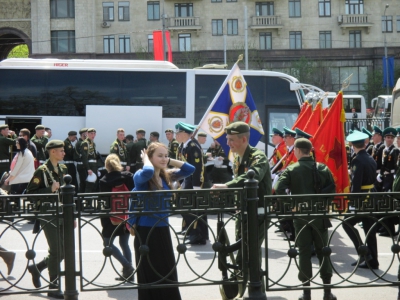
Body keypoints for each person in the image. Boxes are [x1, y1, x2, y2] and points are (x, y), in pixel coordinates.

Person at [128, 142, 195, 300]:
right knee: (149, 271)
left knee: (166, 269)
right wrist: (145, 159)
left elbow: (190, 169)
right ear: (150, 157)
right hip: (145, 230)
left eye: (166, 155)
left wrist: (168, 160)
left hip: (163, 228)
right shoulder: (140, 175)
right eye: (160, 155)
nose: (164, 159)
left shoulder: (167, 175)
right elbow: (149, 171)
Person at [274, 138, 336, 300]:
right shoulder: (322, 168)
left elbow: (278, 189)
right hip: (319, 215)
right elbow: (333, 189)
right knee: (324, 251)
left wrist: (291, 204)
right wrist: (324, 205)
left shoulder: (292, 169)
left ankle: (306, 292)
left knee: (304, 252)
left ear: (298, 150)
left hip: (301, 216)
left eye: (294, 150)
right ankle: (327, 292)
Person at [212, 121, 271, 269]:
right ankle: (247, 283)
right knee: (245, 248)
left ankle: (249, 285)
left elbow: (253, 177)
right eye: (227, 139)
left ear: (243, 140)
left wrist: (226, 186)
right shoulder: (237, 158)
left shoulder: (258, 157)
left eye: (231, 139)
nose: (227, 143)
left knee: (249, 249)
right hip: (243, 211)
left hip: (258, 212)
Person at [26, 140, 71, 299]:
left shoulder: (64, 168)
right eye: (61, 150)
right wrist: (49, 189)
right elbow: (29, 194)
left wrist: (71, 215)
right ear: (52, 152)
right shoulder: (42, 171)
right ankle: (53, 286)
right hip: (48, 213)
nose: (64, 153)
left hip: (62, 213)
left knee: (64, 252)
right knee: (56, 250)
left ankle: (37, 268)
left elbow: (69, 194)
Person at [342, 131, 379, 270]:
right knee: (370, 229)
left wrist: (352, 203)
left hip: (363, 198)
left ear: (352, 144)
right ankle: (372, 260)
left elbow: (356, 184)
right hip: (372, 195)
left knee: (347, 223)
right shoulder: (370, 157)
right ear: (364, 143)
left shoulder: (357, 160)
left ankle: (363, 252)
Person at [99, 154, 134, 282]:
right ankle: (129, 275)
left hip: (111, 217)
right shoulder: (128, 177)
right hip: (126, 214)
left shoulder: (103, 180)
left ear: (106, 166)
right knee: (124, 243)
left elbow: (103, 200)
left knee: (107, 243)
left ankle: (127, 266)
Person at [175, 122, 207, 245]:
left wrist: (196, 185)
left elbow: (197, 167)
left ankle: (197, 234)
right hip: (187, 179)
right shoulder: (183, 145)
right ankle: (190, 230)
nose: (176, 135)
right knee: (184, 204)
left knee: (189, 206)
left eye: (178, 133)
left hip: (194, 180)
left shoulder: (193, 146)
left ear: (185, 134)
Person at [376, 127, 399, 237]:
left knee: (388, 205)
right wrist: (380, 174)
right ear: (384, 138)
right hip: (384, 179)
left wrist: (388, 174)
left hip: (390, 179)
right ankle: (384, 227)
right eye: (388, 137)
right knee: (383, 204)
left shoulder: (394, 151)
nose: (389, 139)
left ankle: (389, 229)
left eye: (391, 138)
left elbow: (394, 167)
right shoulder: (384, 149)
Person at [81, 128, 98, 193]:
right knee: (89, 184)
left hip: (94, 165)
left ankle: (91, 200)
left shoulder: (93, 143)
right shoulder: (85, 143)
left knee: (94, 184)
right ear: (87, 134)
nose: (93, 135)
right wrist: (88, 168)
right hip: (89, 166)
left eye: (94, 133)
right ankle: (87, 201)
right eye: (91, 133)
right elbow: (84, 157)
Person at [74, 128, 88, 193]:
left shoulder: (82, 142)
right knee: (83, 182)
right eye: (86, 133)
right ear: (83, 134)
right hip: (81, 165)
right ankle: (80, 198)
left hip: (83, 164)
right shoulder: (80, 143)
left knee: (84, 182)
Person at [371, 126, 384, 192]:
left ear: (380, 136)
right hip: (374, 174)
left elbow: (383, 163)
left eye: (374, 135)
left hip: (379, 174)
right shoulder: (374, 147)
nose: (372, 137)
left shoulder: (382, 147)